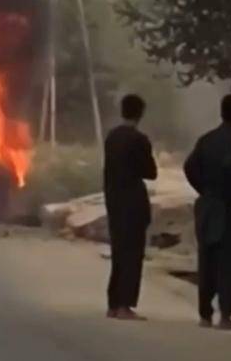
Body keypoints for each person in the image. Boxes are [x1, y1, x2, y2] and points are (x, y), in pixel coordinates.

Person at [184, 94, 231, 331]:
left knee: (207, 259)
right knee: (230, 261)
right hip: (228, 209)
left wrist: (204, 189)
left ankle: (204, 314)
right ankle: (226, 315)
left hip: (207, 207)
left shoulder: (206, 139)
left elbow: (189, 167)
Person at [104, 94, 158, 321]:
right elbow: (151, 172)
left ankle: (113, 303)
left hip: (114, 200)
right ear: (140, 113)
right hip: (133, 202)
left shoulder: (112, 137)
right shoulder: (140, 140)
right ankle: (125, 305)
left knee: (118, 251)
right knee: (133, 254)